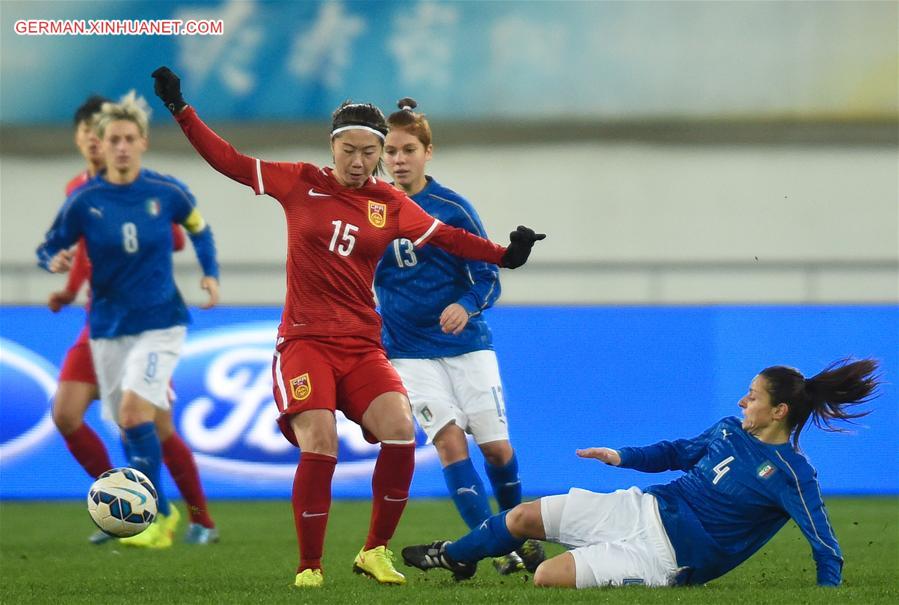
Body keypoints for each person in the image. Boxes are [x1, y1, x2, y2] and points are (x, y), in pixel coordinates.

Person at [150, 66, 544, 588]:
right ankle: (309, 566)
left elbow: (448, 238)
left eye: (369, 152)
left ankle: (373, 551)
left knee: (401, 431)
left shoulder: (389, 203)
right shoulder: (298, 182)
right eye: (349, 150)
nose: (359, 162)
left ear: (380, 152)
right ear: (332, 147)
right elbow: (230, 161)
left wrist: (505, 255)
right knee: (321, 440)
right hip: (306, 340)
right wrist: (182, 109)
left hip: (362, 344)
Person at [402, 358, 880, 588]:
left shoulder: (794, 475)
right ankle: (455, 556)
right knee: (523, 518)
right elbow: (676, 451)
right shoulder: (729, 429)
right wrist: (622, 456)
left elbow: (826, 547)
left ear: (778, 411)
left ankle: (562, 557)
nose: (741, 401)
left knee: (547, 577)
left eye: (752, 395)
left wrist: (827, 591)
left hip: (666, 556)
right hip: (643, 505)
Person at [36, 91, 221, 550]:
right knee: (110, 420)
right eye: (103, 137)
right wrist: (58, 271)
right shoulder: (81, 196)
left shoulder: (162, 192)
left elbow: (186, 234)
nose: (112, 146)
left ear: (140, 142)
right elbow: (60, 248)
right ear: (87, 140)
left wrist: (209, 275)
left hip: (159, 321)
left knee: (143, 418)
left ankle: (177, 515)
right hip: (102, 323)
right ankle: (129, 505)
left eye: (125, 138)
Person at [373, 98, 544, 575]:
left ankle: (520, 533)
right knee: (449, 442)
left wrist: (465, 305)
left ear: (428, 152)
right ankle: (501, 551)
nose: (398, 159)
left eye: (408, 149)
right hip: (408, 352)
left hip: (467, 347)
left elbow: (489, 276)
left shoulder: (452, 209)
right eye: (391, 151)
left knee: (497, 450)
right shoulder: (371, 208)